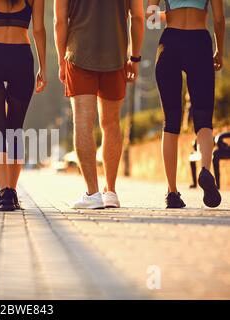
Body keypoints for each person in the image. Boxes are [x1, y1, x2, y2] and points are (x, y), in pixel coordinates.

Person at [54, 0, 144, 209]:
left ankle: (93, 193)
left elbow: (60, 20)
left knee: (83, 121)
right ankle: (110, 191)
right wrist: (135, 58)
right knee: (111, 123)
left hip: (78, 55)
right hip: (116, 57)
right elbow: (138, 17)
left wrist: (60, 60)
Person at [0, 0, 47, 211]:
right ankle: (12, 193)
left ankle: (4, 192)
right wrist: (43, 67)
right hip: (21, 56)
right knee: (15, 129)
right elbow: (39, 29)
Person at [148, 0, 224, 208]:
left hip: (170, 43)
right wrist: (219, 51)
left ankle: (172, 192)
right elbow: (218, 19)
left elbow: (151, 18)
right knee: (203, 115)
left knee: (170, 120)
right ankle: (206, 170)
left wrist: (170, 14)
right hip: (200, 42)